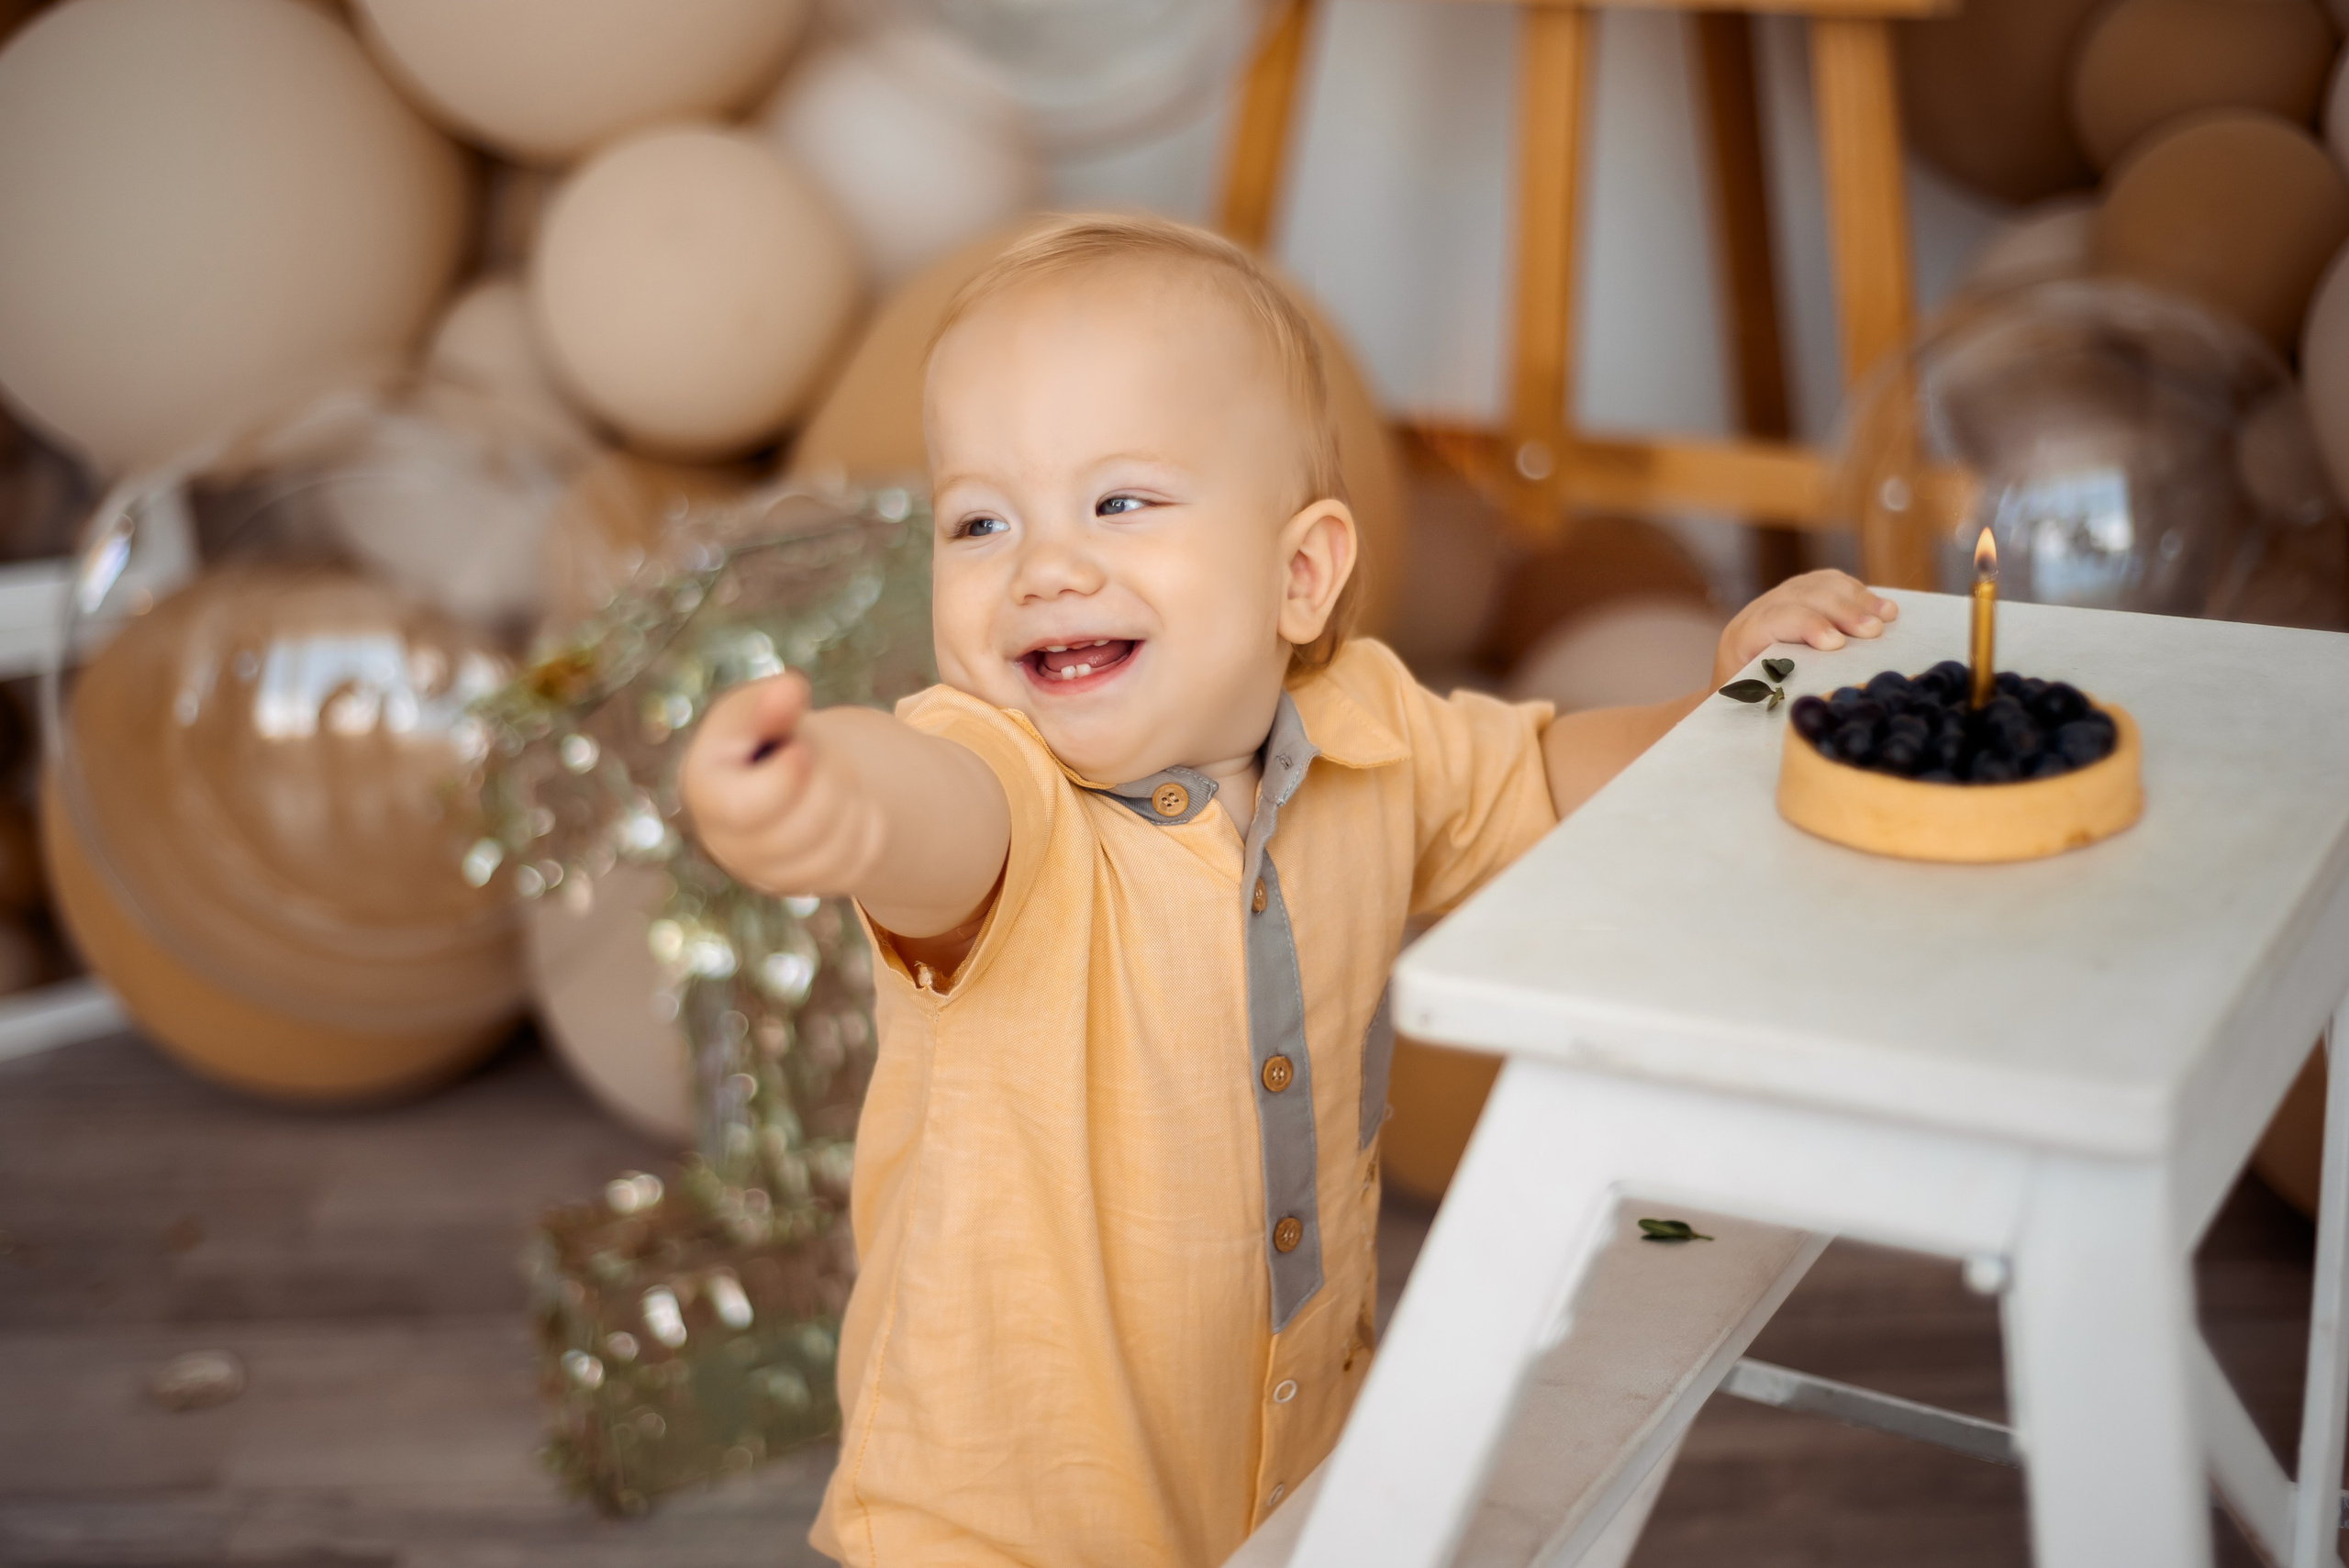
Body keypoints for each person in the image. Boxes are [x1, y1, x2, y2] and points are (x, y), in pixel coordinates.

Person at [681, 214, 1894, 1567]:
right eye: (981, 521)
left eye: (1120, 502)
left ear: (1300, 573)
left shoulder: (1374, 736)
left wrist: (1732, 707)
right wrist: (824, 795)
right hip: (1007, 1527)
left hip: (1286, 1471)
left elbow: (1545, 777)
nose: (1044, 566)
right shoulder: (1005, 788)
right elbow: (919, 807)